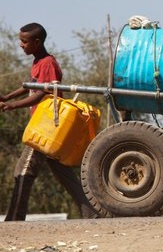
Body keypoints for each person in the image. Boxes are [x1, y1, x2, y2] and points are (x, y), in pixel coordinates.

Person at [0, 23, 96, 220]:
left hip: (46, 127)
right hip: (48, 126)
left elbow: (45, 93)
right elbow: (31, 85)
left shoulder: (48, 63)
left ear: (37, 42)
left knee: (23, 170)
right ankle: (92, 214)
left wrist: (14, 105)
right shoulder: (38, 61)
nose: (21, 45)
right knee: (64, 174)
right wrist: (7, 97)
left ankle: (15, 218)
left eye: (24, 42)